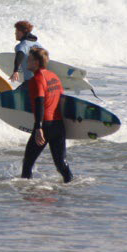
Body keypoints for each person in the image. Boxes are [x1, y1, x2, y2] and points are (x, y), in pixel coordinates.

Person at [21, 47, 73, 183]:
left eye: (30, 59)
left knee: (28, 163)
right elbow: (61, 98)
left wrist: (38, 127)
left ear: (37, 62)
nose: (27, 61)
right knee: (61, 163)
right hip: (58, 125)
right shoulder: (53, 76)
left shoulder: (37, 79)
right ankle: (71, 184)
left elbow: (40, 102)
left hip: (45, 125)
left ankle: (27, 192)